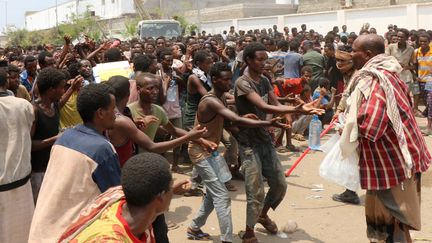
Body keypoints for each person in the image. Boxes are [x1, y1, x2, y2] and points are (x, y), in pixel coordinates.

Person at [342, 34, 431, 242]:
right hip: (402, 157)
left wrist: (345, 129)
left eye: (354, 50)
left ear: (368, 54)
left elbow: (372, 127)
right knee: (393, 223)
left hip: (391, 163)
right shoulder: (390, 72)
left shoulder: (374, 80)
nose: (350, 53)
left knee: (389, 224)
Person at [186, 62, 288, 243]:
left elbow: (228, 124)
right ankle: (227, 239)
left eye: (229, 79)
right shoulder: (210, 100)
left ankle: (194, 227)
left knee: (213, 193)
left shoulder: (221, 98)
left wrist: (244, 123)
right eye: (225, 80)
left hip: (212, 151)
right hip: (200, 152)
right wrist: (268, 123)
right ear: (214, 80)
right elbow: (232, 117)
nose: (229, 83)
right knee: (222, 196)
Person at [235, 42, 323, 243]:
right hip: (248, 142)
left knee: (279, 185)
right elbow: (262, 105)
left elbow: (274, 103)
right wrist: (298, 110)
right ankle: (249, 233)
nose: (264, 63)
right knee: (255, 190)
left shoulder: (265, 80)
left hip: (265, 138)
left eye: (266, 59)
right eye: (260, 59)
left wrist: (294, 104)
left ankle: (262, 215)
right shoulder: (243, 82)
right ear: (248, 60)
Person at [29, 83, 120, 243]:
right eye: (113, 109)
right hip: (71, 235)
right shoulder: (102, 149)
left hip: (41, 232)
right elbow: (115, 197)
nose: (116, 113)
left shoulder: (65, 137)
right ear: (100, 113)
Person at [59, 153, 189, 242]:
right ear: (159, 197)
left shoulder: (117, 196)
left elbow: (145, 181)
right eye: (170, 185)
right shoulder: (110, 240)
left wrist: (169, 191)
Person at [30, 67, 80, 202]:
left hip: (52, 165)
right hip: (38, 172)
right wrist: (56, 138)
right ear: (51, 90)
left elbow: (61, 102)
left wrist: (73, 88)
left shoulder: (53, 105)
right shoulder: (34, 111)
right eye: (62, 87)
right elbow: (29, 145)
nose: (63, 90)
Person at [0, 69, 35, 243]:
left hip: (17, 183)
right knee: (23, 235)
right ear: (5, 83)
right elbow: (30, 131)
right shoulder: (23, 105)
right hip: (21, 184)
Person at [414, 33, 432, 135]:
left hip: (430, 81)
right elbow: (415, 66)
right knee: (426, 103)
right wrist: (416, 76)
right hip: (420, 81)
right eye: (421, 41)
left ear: (429, 42)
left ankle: (429, 127)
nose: (422, 43)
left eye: (425, 41)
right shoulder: (416, 52)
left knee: (430, 103)